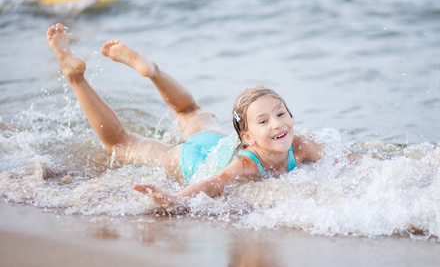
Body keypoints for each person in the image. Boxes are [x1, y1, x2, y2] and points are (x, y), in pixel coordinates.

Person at [46, 23, 373, 206]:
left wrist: (403, 165)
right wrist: (174, 197)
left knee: (189, 110)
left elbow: (352, 159)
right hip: (191, 158)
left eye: (281, 114)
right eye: (264, 120)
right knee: (120, 144)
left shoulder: (299, 143)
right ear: (248, 136)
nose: (277, 124)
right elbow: (211, 182)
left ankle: (153, 71)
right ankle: (76, 77)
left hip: (217, 140)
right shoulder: (247, 164)